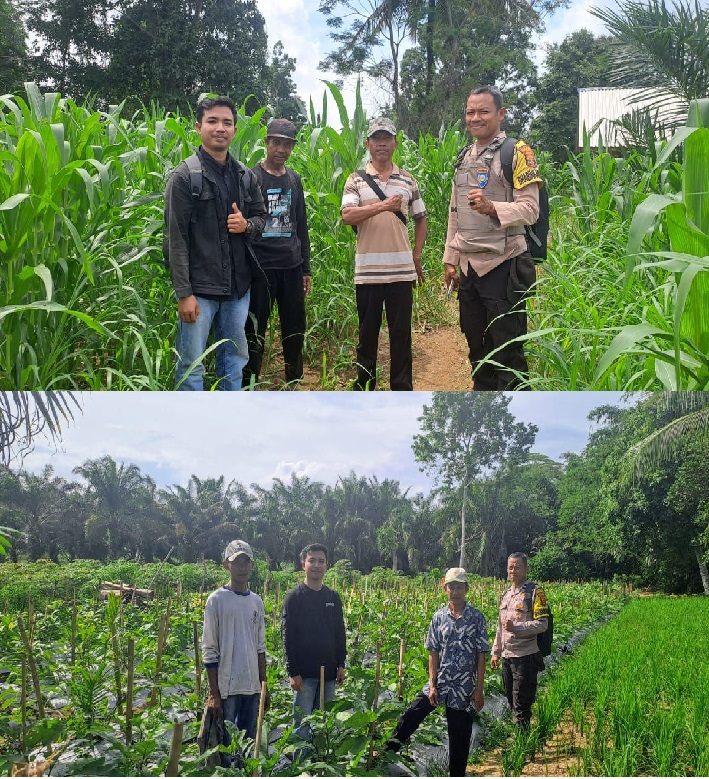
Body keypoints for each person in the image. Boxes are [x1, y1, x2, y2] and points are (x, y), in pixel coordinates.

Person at [164, 96, 267, 390]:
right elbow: (176, 239)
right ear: (198, 127)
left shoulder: (245, 176)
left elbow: (262, 218)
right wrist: (184, 294)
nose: (219, 128)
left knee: (234, 362)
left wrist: (246, 225)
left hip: (237, 291)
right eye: (212, 121)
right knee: (191, 366)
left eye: (227, 122)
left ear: (234, 130)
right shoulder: (184, 177)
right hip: (200, 291)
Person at [443, 85, 542, 391]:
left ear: (501, 114)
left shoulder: (517, 153)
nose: (476, 117)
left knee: (508, 350)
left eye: (483, 111)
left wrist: (492, 208)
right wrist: (450, 259)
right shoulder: (464, 156)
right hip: (470, 268)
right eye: (470, 112)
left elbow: (531, 210)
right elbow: (455, 211)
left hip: (504, 265)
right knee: (477, 346)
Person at [341, 118, 428, 391]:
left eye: (387, 138)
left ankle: (402, 390)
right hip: (368, 274)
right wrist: (384, 206)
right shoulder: (355, 180)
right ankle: (365, 389)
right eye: (376, 139)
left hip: (402, 273)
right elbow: (347, 215)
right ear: (368, 144)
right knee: (367, 337)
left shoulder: (408, 180)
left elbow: (421, 218)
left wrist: (416, 255)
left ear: (395, 144)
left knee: (401, 337)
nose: (381, 144)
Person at [381, 568, 488, 777]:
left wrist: (480, 689)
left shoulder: (477, 618)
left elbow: (481, 655)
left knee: (459, 737)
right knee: (412, 714)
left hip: (463, 687)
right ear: (444, 587)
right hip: (440, 682)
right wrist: (432, 683)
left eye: (459, 587)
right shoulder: (438, 617)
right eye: (451, 587)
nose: (455, 591)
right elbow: (433, 652)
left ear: (466, 588)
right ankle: (384, 753)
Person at [243, 118, 312, 387]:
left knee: (295, 328)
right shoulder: (251, 177)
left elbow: (300, 225)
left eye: (287, 145)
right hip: (261, 268)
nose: (282, 149)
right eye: (276, 143)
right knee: (255, 329)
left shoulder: (294, 180)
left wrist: (305, 268)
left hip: (291, 266)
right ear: (266, 143)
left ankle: (293, 381)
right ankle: (249, 382)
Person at [202, 540, 269, 765]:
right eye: (236, 562)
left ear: (252, 565)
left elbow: (260, 647)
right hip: (227, 688)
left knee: (249, 743)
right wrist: (214, 693)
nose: (242, 567)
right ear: (226, 565)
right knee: (228, 744)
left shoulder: (256, 602)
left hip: (251, 686)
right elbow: (209, 650)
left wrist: (263, 686)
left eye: (246, 562)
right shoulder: (216, 600)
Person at [281, 543, 347, 739]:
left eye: (321, 561)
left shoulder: (333, 597)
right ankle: (302, 767)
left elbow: (339, 632)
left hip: (328, 674)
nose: (317, 565)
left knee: (324, 722)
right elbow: (288, 637)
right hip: (304, 675)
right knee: (302, 724)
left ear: (327, 565)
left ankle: (319, 765)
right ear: (303, 565)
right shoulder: (294, 597)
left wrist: (341, 664)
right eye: (312, 561)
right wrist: (293, 672)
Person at [491, 552, 549, 730]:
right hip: (507, 657)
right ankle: (521, 737)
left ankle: (522, 747)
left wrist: (517, 627)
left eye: (517, 567)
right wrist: (496, 652)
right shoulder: (506, 594)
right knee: (511, 699)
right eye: (510, 567)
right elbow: (500, 628)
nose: (513, 571)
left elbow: (542, 624)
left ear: (526, 569)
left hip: (525, 656)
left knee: (522, 705)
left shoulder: (535, 593)